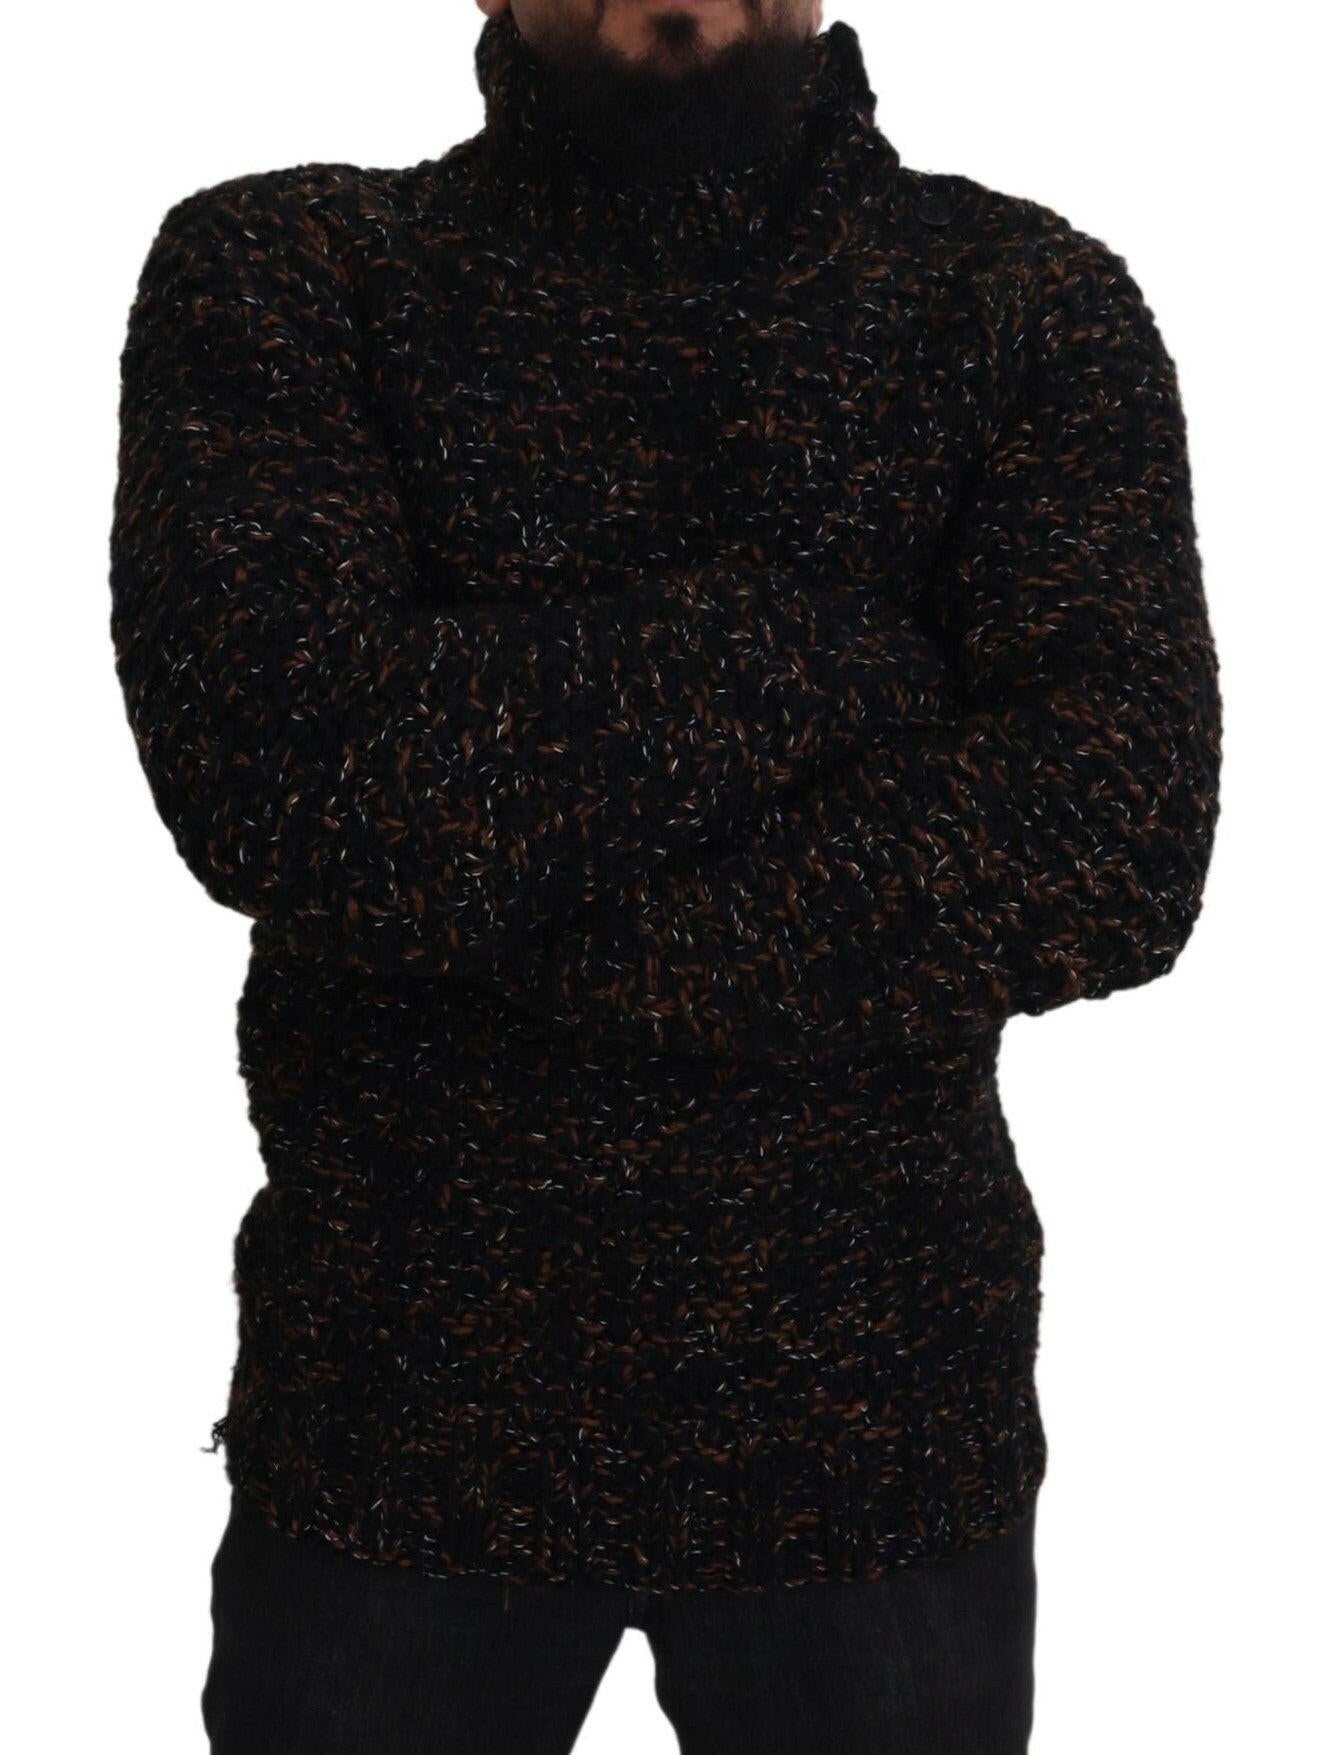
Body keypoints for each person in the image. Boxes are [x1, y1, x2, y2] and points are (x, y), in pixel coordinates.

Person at [107, 1, 1224, 1750]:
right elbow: (284, 786)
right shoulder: (293, 275)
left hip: (874, 1441)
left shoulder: (1020, 306)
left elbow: (1116, 838)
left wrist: (490, 889)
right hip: (400, 1428)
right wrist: (814, 654)